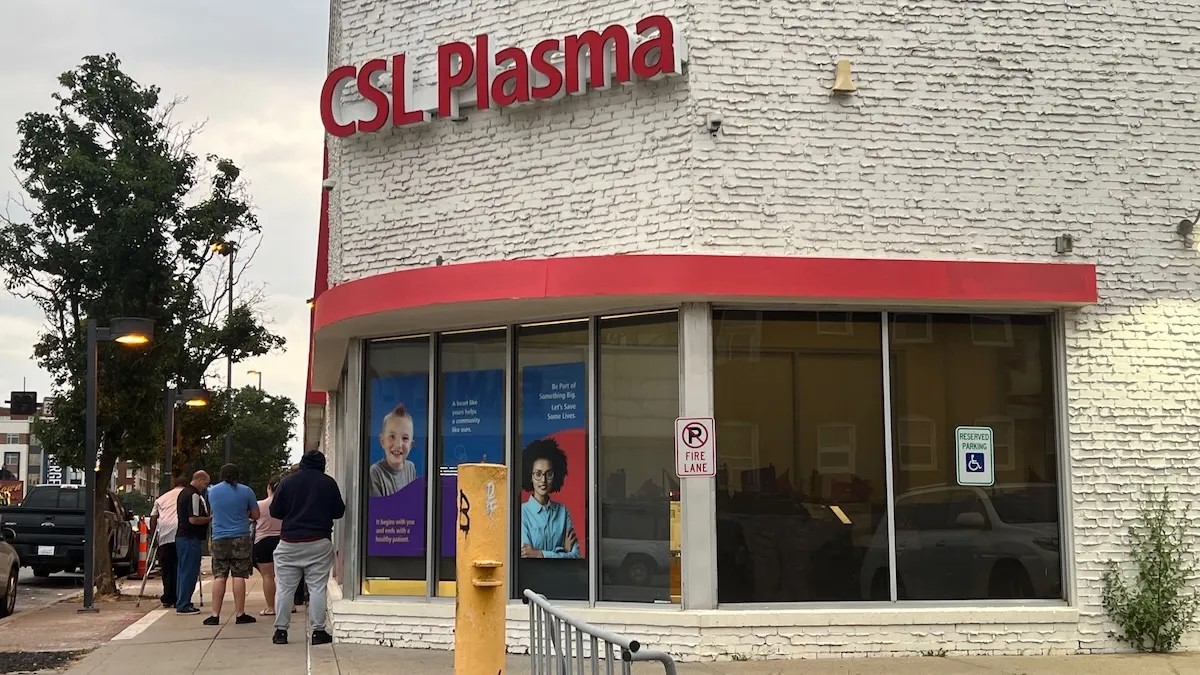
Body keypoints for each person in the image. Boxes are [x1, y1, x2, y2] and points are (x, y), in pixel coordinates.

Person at [270, 450, 345, 646]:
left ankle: (281, 632)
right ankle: (318, 632)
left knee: (285, 589)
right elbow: (339, 511)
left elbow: (275, 511)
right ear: (322, 464)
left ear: (302, 463)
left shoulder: (287, 482)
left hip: (289, 543)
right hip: (318, 542)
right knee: (317, 588)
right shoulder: (328, 483)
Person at [203, 463, 260, 626]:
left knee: (220, 576)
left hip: (219, 537)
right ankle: (240, 614)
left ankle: (215, 615)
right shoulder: (246, 491)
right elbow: (256, 515)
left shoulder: (211, 491)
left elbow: (211, 511)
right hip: (241, 537)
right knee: (238, 576)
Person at [520, 438, 580, 559]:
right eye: (538, 474)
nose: (543, 480)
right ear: (530, 476)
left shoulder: (563, 512)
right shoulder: (522, 513)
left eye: (549, 474)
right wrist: (562, 551)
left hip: (561, 576)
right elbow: (526, 555)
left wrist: (539, 554)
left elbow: (575, 555)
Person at [253, 474, 292, 616]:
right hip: (283, 540)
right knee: (285, 576)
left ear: (269, 487)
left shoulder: (259, 505)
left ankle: (271, 607)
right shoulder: (288, 504)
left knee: (267, 576)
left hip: (262, 541)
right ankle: (290, 605)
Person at [175, 470, 212, 614]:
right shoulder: (194, 495)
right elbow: (194, 518)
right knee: (190, 571)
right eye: (206, 484)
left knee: (183, 570)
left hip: (182, 537)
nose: (205, 487)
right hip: (190, 538)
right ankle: (184, 604)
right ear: (200, 480)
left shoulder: (183, 493)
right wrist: (209, 518)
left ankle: (181, 601)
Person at [149, 476, 188, 608]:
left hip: (165, 535)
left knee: (167, 567)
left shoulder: (161, 498)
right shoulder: (190, 495)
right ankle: (179, 596)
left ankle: (167, 596)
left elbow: (153, 518)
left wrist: (153, 536)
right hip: (183, 533)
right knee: (180, 566)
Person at [368, 403, 417, 497]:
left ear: (411, 445)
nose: (398, 445)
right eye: (392, 437)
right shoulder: (376, 473)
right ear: (382, 441)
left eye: (405, 438)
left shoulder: (411, 468)